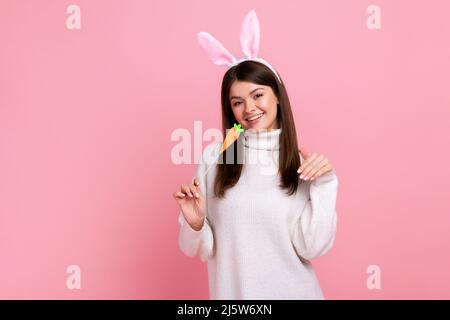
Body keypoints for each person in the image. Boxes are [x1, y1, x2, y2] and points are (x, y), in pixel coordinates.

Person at [172, 59, 339, 299]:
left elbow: (311, 247)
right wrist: (195, 225)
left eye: (257, 95)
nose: (249, 108)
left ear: (278, 96)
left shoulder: (301, 165)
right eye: (237, 102)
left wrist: (325, 184)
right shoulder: (217, 159)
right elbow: (196, 248)